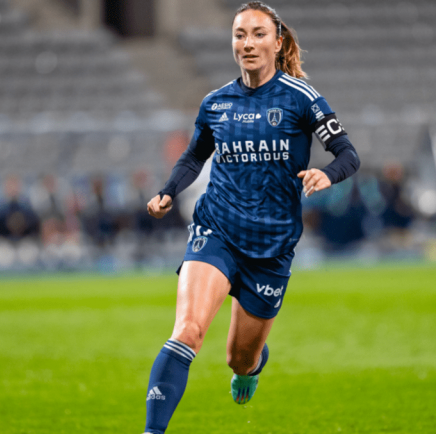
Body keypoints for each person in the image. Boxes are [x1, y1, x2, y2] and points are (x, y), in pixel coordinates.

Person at [142, 2, 360, 433]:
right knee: (187, 330)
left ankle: (249, 368)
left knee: (239, 357)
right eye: (240, 34)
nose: (248, 43)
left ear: (278, 43)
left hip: (272, 246)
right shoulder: (215, 103)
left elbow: (348, 155)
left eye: (258, 34)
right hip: (216, 229)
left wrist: (326, 173)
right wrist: (168, 192)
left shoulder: (302, 98)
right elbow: (193, 157)